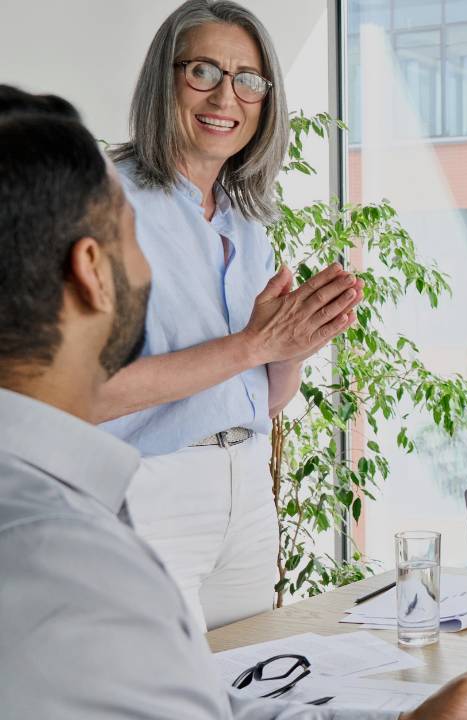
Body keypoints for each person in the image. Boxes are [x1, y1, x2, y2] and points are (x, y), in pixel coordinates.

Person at [0, 84, 467, 720]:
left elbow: (202, 704)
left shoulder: (59, 522)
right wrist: (255, 342)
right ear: (91, 270)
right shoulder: (68, 562)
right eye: (134, 235)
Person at [96, 0, 364, 632]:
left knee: (249, 685)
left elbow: (261, 401)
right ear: (165, 79)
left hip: (245, 490)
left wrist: (292, 345)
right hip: (147, 490)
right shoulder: (101, 199)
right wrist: (254, 342)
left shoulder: (250, 219)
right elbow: (78, 396)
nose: (227, 96)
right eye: (204, 73)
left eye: (249, 79)